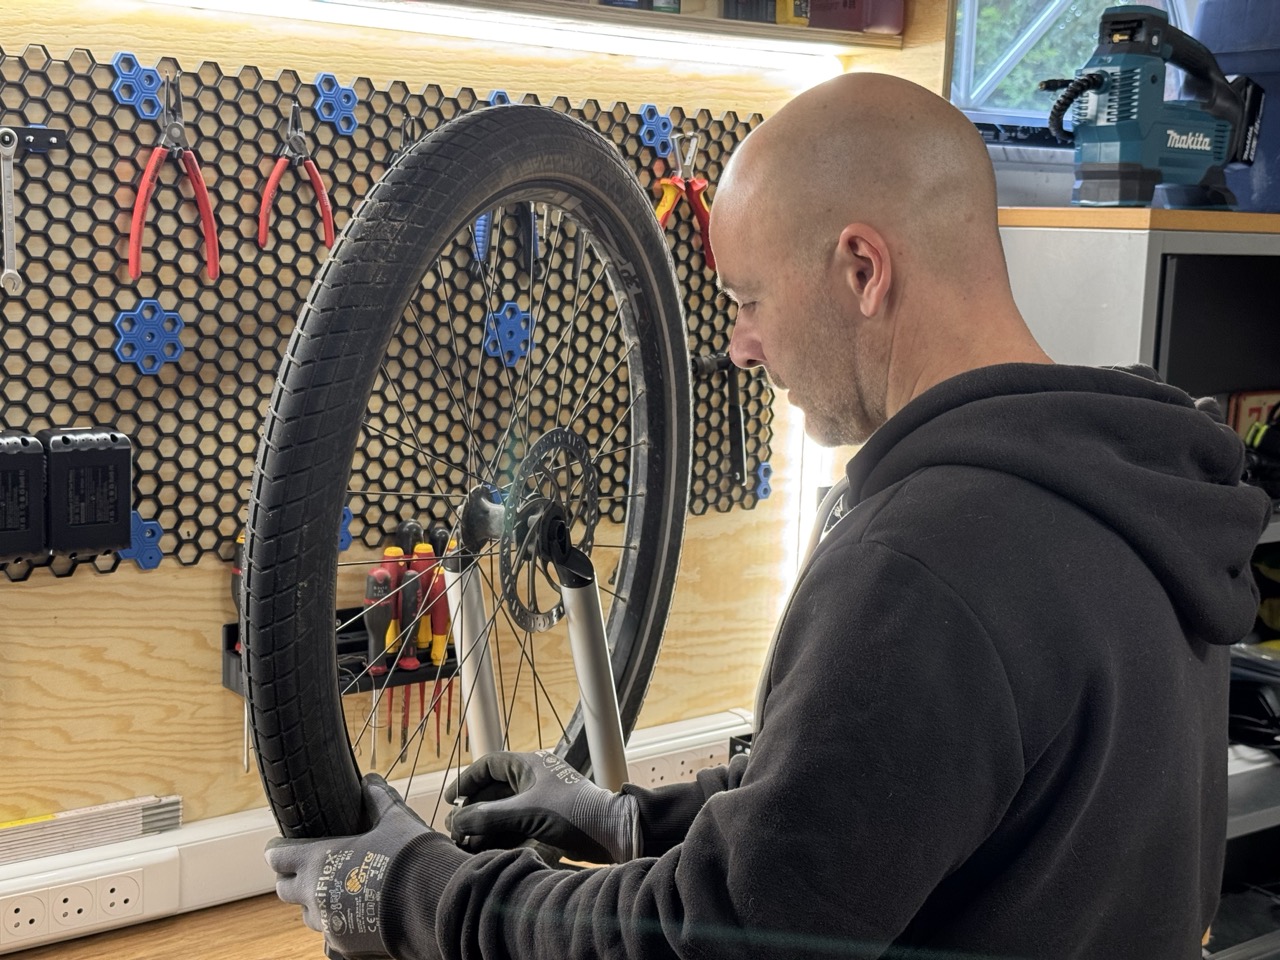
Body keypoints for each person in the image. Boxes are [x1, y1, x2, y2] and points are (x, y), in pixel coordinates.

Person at [266, 72, 1272, 959]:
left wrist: (420, 893)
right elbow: (880, 807)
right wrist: (627, 821)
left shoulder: (925, 568)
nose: (740, 346)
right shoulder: (1122, 484)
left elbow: (708, 938)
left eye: (747, 299)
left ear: (862, 270)